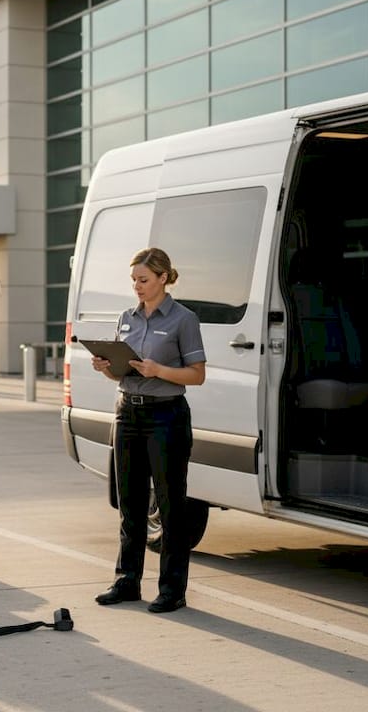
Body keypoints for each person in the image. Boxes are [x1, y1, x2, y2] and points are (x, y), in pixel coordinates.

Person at [90, 248, 206, 613]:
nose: (137, 287)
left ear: (162, 278)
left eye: (143, 280)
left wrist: (160, 371)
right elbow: (123, 371)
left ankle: (172, 589)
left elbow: (197, 375)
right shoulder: (127, 317)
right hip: (127, 415)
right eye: (133, 281)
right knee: (131, 504)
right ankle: (127, 582)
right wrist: (105, 367)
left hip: (165, 417)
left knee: (171, 507)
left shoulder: (184, 319)